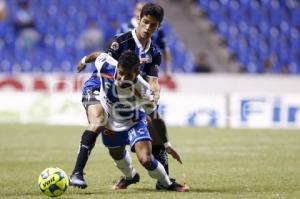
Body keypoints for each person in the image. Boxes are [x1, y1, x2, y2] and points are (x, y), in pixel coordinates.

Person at [71, 3, 181, 189]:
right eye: (145, 22)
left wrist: (154, 90)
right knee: (98, 120)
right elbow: (102, 59)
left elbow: (153, 80)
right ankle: (77, 173)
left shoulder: (154, 52)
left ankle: (163, 181)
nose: (148, 28)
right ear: (138, 19)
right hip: (101, 86)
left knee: (152, 123)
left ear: (158, 27)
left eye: (153, 25)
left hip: (127, 91)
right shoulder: (120, 42)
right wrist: (83, 61)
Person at [92, 50, 189, 192]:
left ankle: (167, 183)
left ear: (137, 73)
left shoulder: (143, 89)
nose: (122, 78)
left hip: (134, 120)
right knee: (116, 153)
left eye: (128, 75)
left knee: (146, 159)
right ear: (118, 66)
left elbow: (155, 117)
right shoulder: (107, 65)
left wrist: (166, 144)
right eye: (121, 73)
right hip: (112, 121)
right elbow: (95, 55)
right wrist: (83, 61)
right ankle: (130, 176)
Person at [117, 2, 172, 80]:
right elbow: (117, 48)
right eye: (138, 10)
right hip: (127, 70)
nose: (139, 12)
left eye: (142, 10)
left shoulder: (158, 31)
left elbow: (165, 50)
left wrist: (168, 70)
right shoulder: (124, 28)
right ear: (135, 11)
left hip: (146, 70)